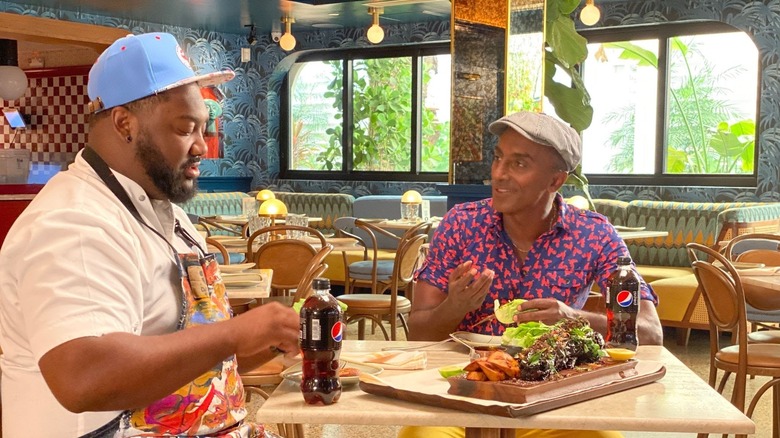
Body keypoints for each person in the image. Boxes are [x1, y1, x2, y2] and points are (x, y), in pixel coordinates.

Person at [0, 32, 300, 438]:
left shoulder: (166, 212)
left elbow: (182, 351)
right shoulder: (74, 223)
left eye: (203, 128)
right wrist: (231, 334)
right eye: (185, 128)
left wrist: (270, 340)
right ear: (125, 123)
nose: (202, 147)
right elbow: (83, 375)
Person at [401, 111, 663, 438]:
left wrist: (573, 318)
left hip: (552, 400)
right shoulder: (461, 225)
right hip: (464, 395)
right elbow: (418, 333)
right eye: (498, 159)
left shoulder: (595, 236)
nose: (499, 174)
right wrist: (456, 305)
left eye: (519, 164)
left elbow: (650, 331)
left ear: (556, 181)